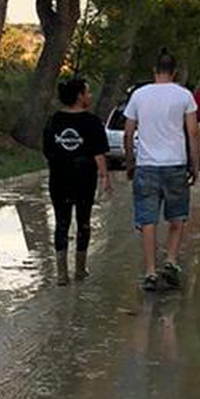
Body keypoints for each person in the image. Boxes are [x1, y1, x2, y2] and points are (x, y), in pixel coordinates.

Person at [122, 52, 200, 292]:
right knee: (177, 217)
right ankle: (171, 261)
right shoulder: (184, 95)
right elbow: (193, 133)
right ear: (174, 72)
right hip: (175, 164)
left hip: (146, 165)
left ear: (153, 70)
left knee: (148, 220)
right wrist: (195, 165)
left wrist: (130, 161)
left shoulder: (138, 95)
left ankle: (150, 272)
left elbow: (127, 133)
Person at [43, 74, 112, 273]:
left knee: (61, 222)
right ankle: (80, 268)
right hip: (84, 178)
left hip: (59, 177)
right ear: (79, 96)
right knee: (83, 222)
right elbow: (99, 153)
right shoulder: (92, 122)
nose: (90, 96)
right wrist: (105, 177)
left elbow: (47, 151)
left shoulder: (53, 120)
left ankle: (61, 272)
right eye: (88, 92)